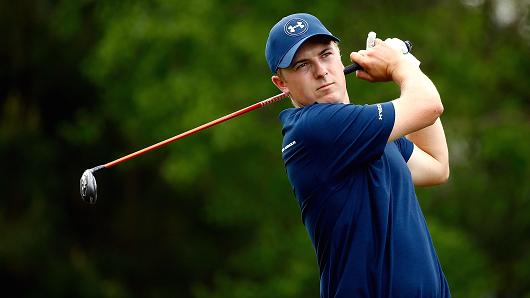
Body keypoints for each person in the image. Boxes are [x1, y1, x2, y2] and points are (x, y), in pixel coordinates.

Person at [265, 13, 451, 297]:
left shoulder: (367, 132)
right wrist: (400, 65)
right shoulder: (313, 128)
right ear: (281, 83)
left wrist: (407, 66)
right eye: (302, 64)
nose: (321, 70)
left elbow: (437, 166)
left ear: (340, 58)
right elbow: (428, 105)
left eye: (326, 54)